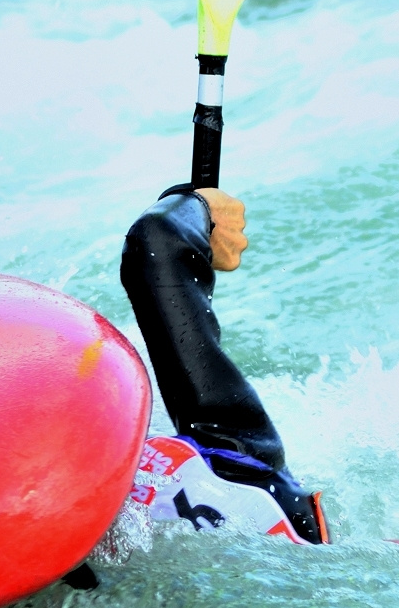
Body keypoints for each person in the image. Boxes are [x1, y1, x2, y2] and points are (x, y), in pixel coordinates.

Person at [119, 184, 330, 546]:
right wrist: (198, 209)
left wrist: (201, 209)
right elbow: (157, 242)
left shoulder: (229, 463)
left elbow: (156, 241)